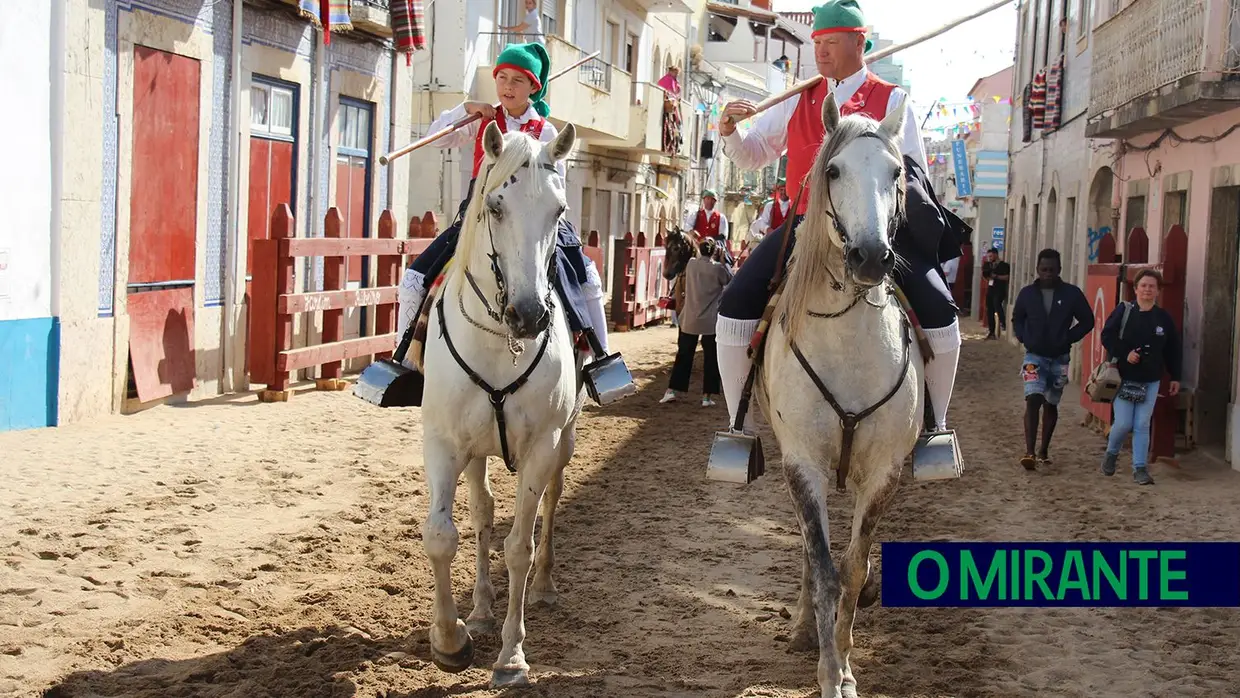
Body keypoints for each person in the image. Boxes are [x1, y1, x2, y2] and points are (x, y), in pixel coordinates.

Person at [714, 0, 961, 437]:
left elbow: (912, 171)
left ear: (859, 41)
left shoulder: (893, 99)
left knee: (941, 312)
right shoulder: (797, 98)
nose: (821, 52)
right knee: (734, 305)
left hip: (878, 227)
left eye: (830, 42)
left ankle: (935, 426)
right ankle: (739, 424)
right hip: (807, 226)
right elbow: (754, 155)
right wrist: (731, 131)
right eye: (817, 43)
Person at [395, 42, 611, 365]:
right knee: (413, 280)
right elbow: (437, 138)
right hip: (480, 218)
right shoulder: (482, 120)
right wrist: (464, 110)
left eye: (518, 80)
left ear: (533, 87)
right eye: (503, 78)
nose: (508, 87)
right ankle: (404, 362)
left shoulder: (546, 131)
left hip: (536, 221)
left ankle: (600, 359)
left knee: (588, 278)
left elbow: (556, 188)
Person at [1011, 248, 1095, 470]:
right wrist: (1023, 336)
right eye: (1043, 269)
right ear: (1037, 270)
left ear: (1059, 270)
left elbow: (1088, 321)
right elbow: (1017, 318)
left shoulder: (1072, 294)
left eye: (1051, 269)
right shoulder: (1027, 294)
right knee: (1033, 399)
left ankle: (1043, 450)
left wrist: (1068, 337)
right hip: (1033, 356)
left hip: (1060, 359)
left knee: (1051, 402)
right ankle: (1029, 452)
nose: (1047, 273)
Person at [1099, 270, 1182, 486]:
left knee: (1143, 424)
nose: (1147, 289)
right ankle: (1112, 453)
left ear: (1158, 290)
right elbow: (1107, 335)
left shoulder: (1163, 317)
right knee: (1124, 423)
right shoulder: (1124, 311)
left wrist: (1175, 376)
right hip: (1125, 376)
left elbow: (1173, 348)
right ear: (1135, 288)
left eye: (1152, 286)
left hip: (1151, 378)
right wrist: (1125, 352)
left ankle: (1140, 468)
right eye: (1143, 285)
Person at [661, 239, 734, 407]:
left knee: (684, 356)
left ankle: (672, 390)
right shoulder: (718, 269)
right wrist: (723, 261)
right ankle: (707, 397)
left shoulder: (691, 264)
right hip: (710, 321)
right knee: (711, 359)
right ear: (714, 252)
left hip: (690, 319)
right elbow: (730, 281)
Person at [683, 190, 733, 265]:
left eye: (712, 200)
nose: (710, 202)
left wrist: (710, 243)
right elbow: (687, 227)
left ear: (715, 202)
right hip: (697, 247)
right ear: (704, 200)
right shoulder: (695, 214)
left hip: (713, 250)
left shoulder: (721, 217)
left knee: (724, 262)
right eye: (708, 199)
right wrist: (692, 232)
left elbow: (722, 235)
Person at [981, 247, 1011, 339]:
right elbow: (984, 276)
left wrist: (996, 276)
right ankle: (991, 331)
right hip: (991, 288)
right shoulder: (987, 265)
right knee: (989, 309)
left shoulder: (1004, 265)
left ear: (996, 254)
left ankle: (1003, 322)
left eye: (991, 256)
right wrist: (987, 277)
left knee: (997, 303)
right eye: (988, 256)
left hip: (1000, 288)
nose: (989, 258)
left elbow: (1007, 277)